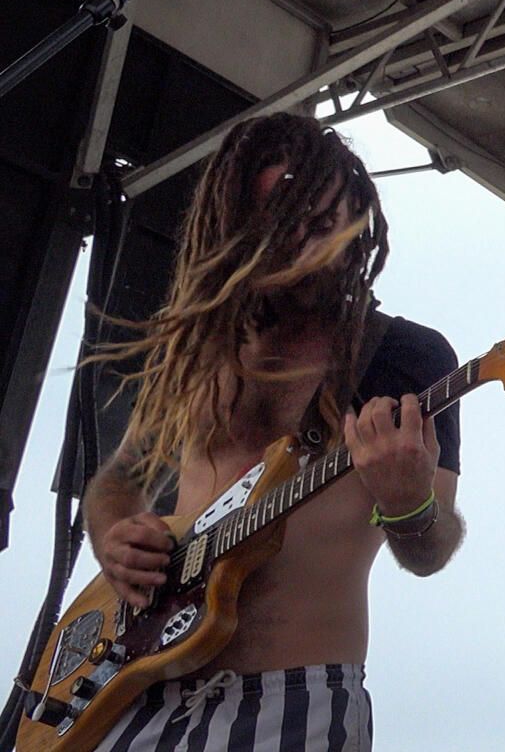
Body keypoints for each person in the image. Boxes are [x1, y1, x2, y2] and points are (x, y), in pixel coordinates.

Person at [79, 112, 463, 750]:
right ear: (238, 231)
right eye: (286, 227)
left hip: (294, 699)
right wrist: (116, 535)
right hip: (134, 685)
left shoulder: (401, 357)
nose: (313, 248)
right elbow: (115, 482)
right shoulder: (200, 352)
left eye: (326, 224)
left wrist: (409, 504)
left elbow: (432, 549)